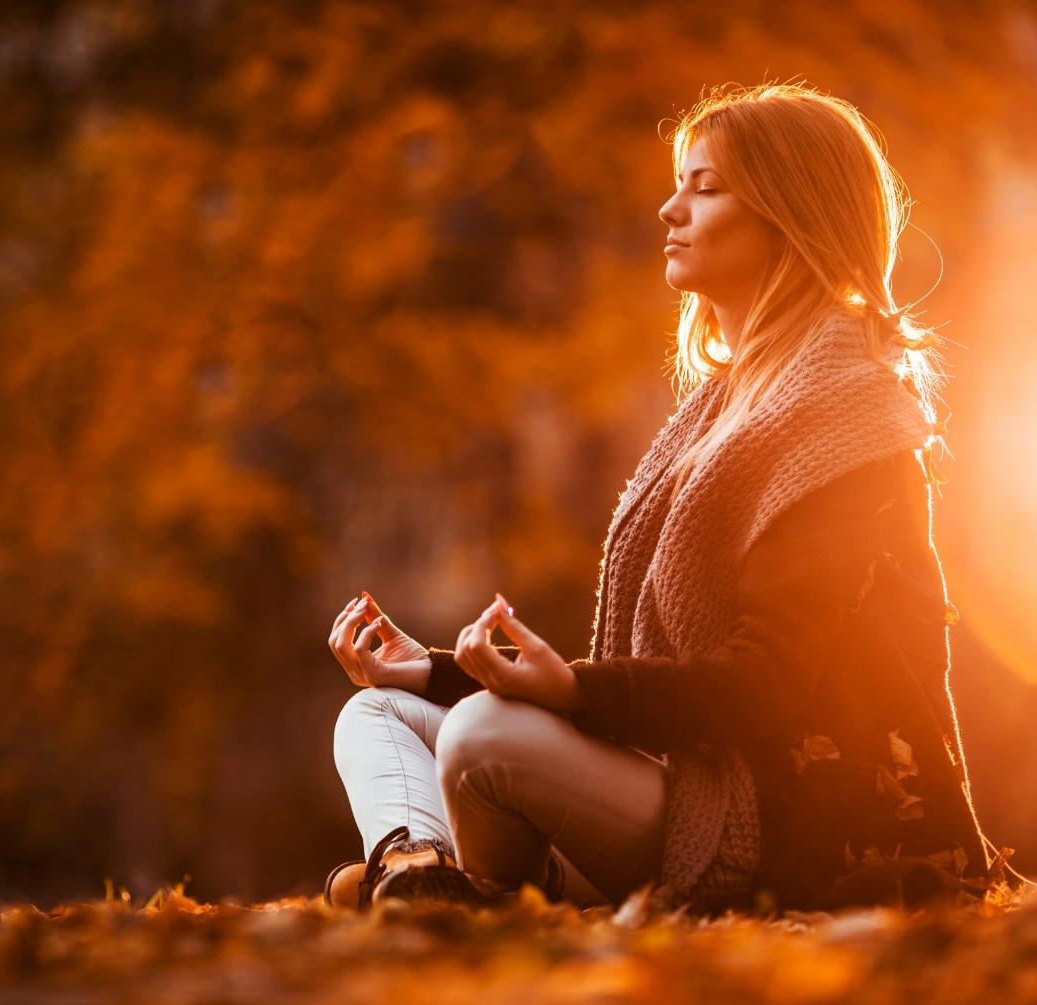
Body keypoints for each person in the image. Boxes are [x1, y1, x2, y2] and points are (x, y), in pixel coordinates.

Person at [325, 80, 1002, 916]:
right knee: (380, 710)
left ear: (791, 212)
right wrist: (435, 669)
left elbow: (767, 689)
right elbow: (647, 692)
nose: (667, 210)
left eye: (704, 186)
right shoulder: (721, 410)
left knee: (480, 737)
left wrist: (569, 690)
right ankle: (416, 867)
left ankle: (477, 902)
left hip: (776, 828)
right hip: (673, 791)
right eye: (679, 182)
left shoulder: (848, 416)